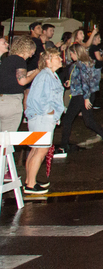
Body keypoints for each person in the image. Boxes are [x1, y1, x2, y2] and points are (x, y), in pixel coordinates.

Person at [56, 44, 103, 157]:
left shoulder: (81, 65)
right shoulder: (86, 63)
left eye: (72, 53)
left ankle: (63, 147)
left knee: (67, 119)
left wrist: (86, 98)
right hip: (84, 94)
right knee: (88, 121)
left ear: (76, 53)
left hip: (80, 95)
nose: (71, 56)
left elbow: (85, 82)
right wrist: (70, 83)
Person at [23, 44, 65, 194]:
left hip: (41, 118)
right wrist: (49, 112)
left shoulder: (49, 75)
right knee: (40, 150)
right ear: (48, 60)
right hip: (42, 119)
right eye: (57, 57)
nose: (60, 59)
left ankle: (29, 180)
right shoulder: (45, 76)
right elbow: (37, 99)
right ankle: (30, 185)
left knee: (35, 149)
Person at [0, 35, 39, 131]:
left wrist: (31, 72)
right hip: (12, 102)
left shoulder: (7, 60)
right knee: (8, 138)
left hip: (2, 100)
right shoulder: (20, 60)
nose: (32, 55)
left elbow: (13, 77)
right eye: (32, 51)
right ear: (26, 48)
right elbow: (22, 81)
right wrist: (36, 72)